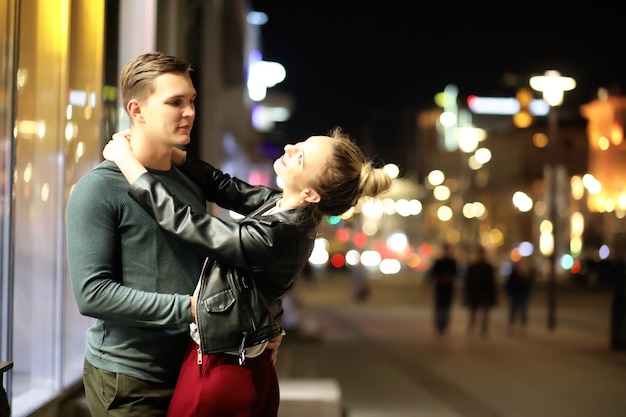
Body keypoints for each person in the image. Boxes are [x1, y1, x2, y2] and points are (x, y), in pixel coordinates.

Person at [102, 125, 393, 416]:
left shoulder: (278, 235)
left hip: (225, 371)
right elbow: (224, 186)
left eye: (301, 156)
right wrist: (170, 152)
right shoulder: (282, 208)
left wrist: (127, 161)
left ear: (310, 193)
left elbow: (186, 224)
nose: (290, 147)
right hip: (230, 360)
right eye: (300, 142)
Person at [66, 51, 284, 417]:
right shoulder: (99, 189)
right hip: (129, 377)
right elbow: (93, 295)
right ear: (137, 110)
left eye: (192, 101)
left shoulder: (188, 181)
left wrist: (263, 325)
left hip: (194, 369)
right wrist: (193, 310)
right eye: (175, 102)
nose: (190, 112)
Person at [463, 246, 497, 337]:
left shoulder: (488, 267)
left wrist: (491, 295)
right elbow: (468, 281)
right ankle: (472, 326)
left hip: (485, 293)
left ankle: (484, 328)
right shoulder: (473, 267)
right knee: (473, 311)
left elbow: (491, 282)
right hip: (475, 293)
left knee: (485, 312)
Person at [427, 243, 458, 335]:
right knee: (438, 306)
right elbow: (433, 274)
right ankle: (438, 324)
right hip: (440, 288)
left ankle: (444, 324)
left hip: (448, 288)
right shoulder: (439, 262)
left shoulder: (452, 262)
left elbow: (455, 274)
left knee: (446, 307)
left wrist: (448, 278)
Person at [504, 259, 534, 333]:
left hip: (522, 295)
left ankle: (523, 326)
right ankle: (511, 325)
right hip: (514, 295)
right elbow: (509, 284)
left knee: (523, 311)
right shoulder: (513, 274)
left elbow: (528, 285)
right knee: (512, 311)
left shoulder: (525, 275)